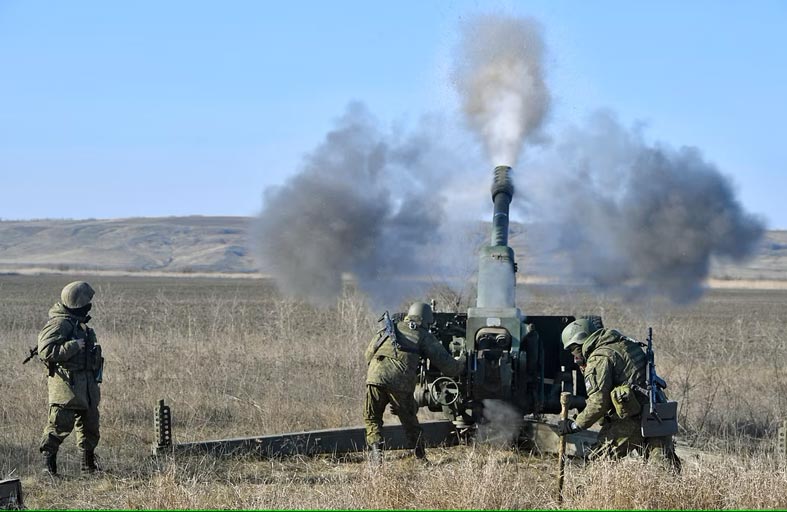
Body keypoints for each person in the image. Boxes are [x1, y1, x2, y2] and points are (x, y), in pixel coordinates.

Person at [556, 318, 681, 472]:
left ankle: (585, 496)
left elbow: (598, 403)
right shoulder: (623, 343)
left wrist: (574, 425)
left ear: (583, 341)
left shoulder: (599, 358)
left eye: (573, 349)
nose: (573, 355)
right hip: (657, 410)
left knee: (596, 468)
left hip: (630, 420)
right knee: (664, 473)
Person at [363, 302, 465, 463]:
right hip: (399, 381)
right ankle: (421, 459)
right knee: (410, 422)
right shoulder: (422, 334)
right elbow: (450, 368)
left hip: (374, 377)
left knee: (372, 418)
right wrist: (463, 360)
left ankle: (376, 459)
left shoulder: (387, 329)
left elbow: (368, 354)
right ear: (425, 320)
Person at [38, 281, 104, 476]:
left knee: (90, 426)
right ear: (77, 303)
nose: (89, 305)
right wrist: (73, 346)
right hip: (67, 385)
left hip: (87, 385)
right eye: (86, 302)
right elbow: (46, 351)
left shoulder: (79, 324)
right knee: (59, 425)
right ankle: (48, 468)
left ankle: (88, 467)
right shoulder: (60, 323)